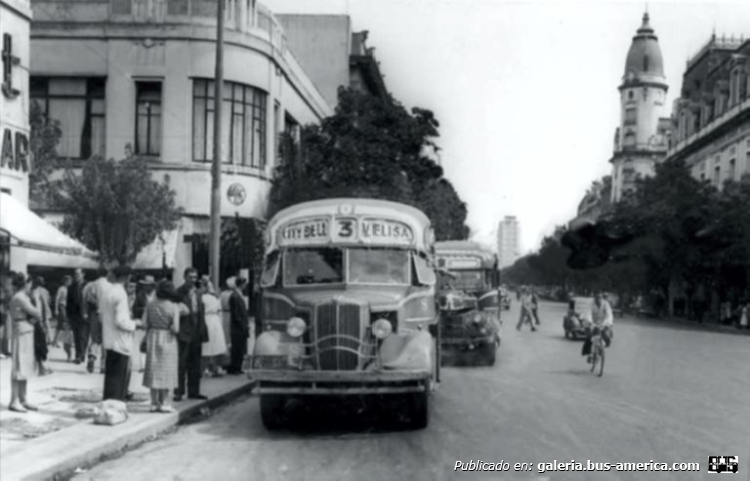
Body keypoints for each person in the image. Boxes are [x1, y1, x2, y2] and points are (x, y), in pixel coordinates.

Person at [101, 265, 141, 401]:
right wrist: (136, 324)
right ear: (127, 277)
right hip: (120, 342)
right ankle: (115, 408)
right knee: (119, 381)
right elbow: (121, 321)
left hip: (109, 341)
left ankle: (108, 407)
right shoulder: (121, 294)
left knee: (110, 380)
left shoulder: (108, 292)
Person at [142, 280, 181, 413]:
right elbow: (176, 328)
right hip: (168, 338)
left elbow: (144, 323)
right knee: (167, 370)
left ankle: (153, 402)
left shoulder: (150, 304)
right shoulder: (173, 306)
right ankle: (164, 402)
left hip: (153, 336)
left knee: (153, 369)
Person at [8, 273, 42, 412]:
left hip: (26, 331)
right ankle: (14, 400)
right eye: (30, 283)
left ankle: (23, 398)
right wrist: (38, 300)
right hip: (22, 331)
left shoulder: (22, 297)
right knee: (18, 366)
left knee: (25, 366)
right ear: (25, 283)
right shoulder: (20, 298)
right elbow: (36, 312)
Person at [174, 267, 208, 401]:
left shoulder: (199, 292)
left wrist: (203, 331)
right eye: (190, 277)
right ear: (184, 277)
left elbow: (201, 313)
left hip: (196, 331)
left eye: (195, 277)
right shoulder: (178, 292)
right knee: (182, 364)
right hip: (184, 331)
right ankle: (179, 391)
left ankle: (194, 391)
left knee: (195, 364)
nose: (193, 280)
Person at [83, 267, 110, 374]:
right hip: (107, 314)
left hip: (94, 312)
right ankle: (103, 365)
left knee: (95, 338)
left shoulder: (92, 285)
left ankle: (92, 356)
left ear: (98, 273)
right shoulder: (110, 286)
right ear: (107, 274)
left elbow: (88, 299)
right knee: (105, 340)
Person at [200, 276, 227, 377]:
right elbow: (219, 309)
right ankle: (217, 367)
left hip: (206, 319)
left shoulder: (202, 297)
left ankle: (206, 368)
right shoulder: (216, 297)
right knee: (216, 344)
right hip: (215, 320)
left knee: (207, 345)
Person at [131, 276, 157, 373]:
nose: (145, 287)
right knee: (142, 344)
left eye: (147, 285)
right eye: (144, 285)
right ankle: (143, 365)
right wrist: (144, 309)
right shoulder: (140, 295)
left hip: (154, 323)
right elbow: (135, 309)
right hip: (143, 322)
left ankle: (152, 365)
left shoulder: (157, 295)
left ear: (152, 286)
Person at [581, 292, 614, 361]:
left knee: (606, 335)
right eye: (597, 297)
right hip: (592, 322)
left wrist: (607, 322)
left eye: (600, 297)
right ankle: (589, 354)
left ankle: (603, 347)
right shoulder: (590, 304)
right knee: (589, 336)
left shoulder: (605, 304)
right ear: (594, 298)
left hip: (603, 323)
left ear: (602, 298)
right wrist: (590, 322)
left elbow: (609, 314)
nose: (598, 299)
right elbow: (588, 313)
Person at [227, 277, 250, 374]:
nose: (246, 286)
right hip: (237, 327)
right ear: (241, 284)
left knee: (240, 347)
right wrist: (242, 324)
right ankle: (234, 367)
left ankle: (239, 366)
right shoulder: (234, 296)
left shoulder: (239, 295)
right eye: (244, 284)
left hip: (241, 326)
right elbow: (236, 313)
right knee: (236, 347)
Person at [31, 277, 52, 375]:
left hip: (38, 320)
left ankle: (41, 368)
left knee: (39, 345)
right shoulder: (37, 292)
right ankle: (41, 368)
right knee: (41, 345)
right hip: (38, 320)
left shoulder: (34, 292)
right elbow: (42, 306)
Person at [67, 269, 87, 364]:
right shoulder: (71, 287)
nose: (76, 276)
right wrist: (68, 316)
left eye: (78, 274)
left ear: (83, 274)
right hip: (74, 315)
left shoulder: (87, 285)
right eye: (75, 274)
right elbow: (68, 302)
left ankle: (82, 354)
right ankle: (78, 355)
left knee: (83, 336)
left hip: (85, 314)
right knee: (76, 336)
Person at [54, 276, 73, 359]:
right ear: (65, 281)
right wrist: (56, 309)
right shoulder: (61, 288)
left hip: (68, 308)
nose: (69, 282)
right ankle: (65, 342)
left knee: (60, 325)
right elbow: (57, 298)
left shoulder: (70, 289)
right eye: (68, 281)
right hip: (62, 306)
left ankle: (56, 340)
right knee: (64, 324)